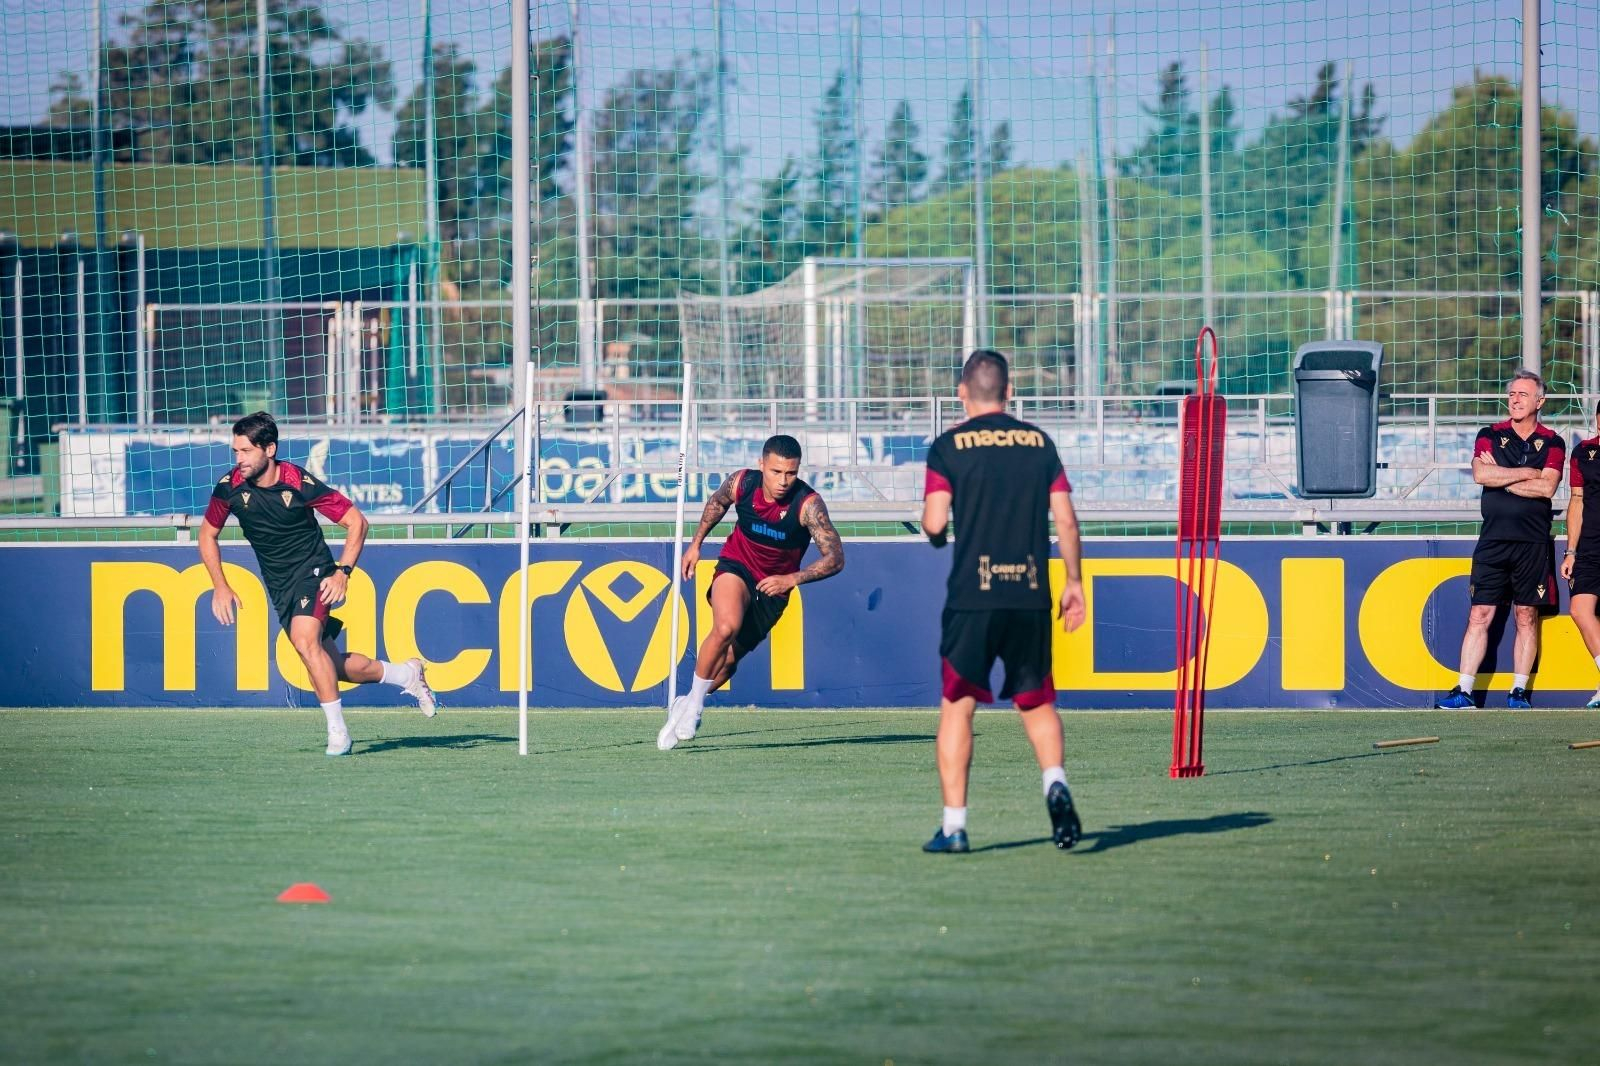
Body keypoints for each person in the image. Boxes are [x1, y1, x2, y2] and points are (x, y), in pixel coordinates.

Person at [919, 349, 1087, 854]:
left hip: (974, 594)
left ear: (962, 393)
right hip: (1031, 593)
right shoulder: (1039, 443)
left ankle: (954, 826)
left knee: (958, 706)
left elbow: (933, 522)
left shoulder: (949, 446)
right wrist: (1074, 582)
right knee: (1037, 702)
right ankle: (1054, 781)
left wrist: (937, 529)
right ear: (1010, 392)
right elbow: (1066, 521)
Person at [198, 412, 437, 755]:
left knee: (304, 639)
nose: (239, 460)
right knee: (331, 666)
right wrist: (220, 586)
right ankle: (406, 675)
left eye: (246, 451)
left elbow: (357, 523)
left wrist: (343, 572)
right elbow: (207, 535)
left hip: (315, 572)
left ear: (269, 449)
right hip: (280, 585)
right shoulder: (230, 487)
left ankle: (338, 733)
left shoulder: (298, 481)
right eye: (235, 451)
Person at [657, 434, 845, 751]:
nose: (783, 481)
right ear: (762, 465)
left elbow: (836, 558)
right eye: (776, 472)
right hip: (737, 565)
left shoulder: (808, 505)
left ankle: (687, 701)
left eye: (791, 473)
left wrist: (791, 579)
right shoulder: (742, 483)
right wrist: (696, 544)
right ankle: (695, 708)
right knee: (725, 626)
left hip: (774, 589)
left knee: (728, 665)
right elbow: (717, 502)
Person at [1436, 370, 1564, 710]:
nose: (1515, 399)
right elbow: (1480, 474)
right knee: (1480, 613)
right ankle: (1464, 690)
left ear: (1540, 401)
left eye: (1523, 394)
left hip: (1532, 543)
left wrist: (1501, 478)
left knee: (1526, 615)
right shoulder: (1490, 434)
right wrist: (1525, 474)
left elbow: (1547, 487)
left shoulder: (1553, 441)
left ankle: (1518, 691)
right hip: (1493, 541)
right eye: (1512, 394)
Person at [1562, 402, 1600, 707]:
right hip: (1588, 549)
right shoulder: (1583, 453)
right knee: (1579, 611)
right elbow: (1577, 501)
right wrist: (1571, 551)